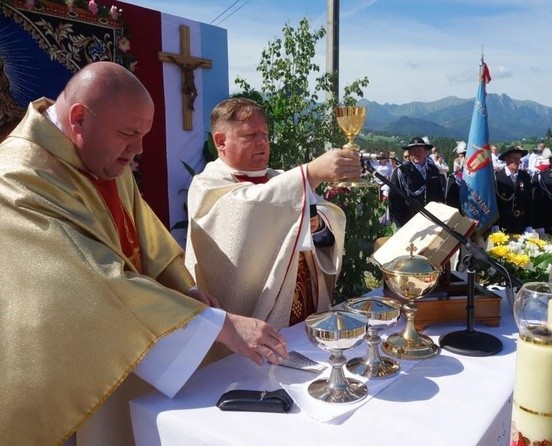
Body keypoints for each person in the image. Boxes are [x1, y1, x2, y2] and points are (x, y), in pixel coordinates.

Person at [0, 62, 289, 446]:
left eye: (143, 134)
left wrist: (185, 292)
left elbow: (146, 237)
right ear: (79, 118)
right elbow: (92, 282)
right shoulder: (18, 177)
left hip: (124, 338)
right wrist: (219, 324)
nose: (137, 150)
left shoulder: (101, 156)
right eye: (128, 134)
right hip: (64, 363)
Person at [185, 98, 360, 329]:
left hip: (305, 306)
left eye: (265, 135)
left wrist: (318, 226)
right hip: (248, 320)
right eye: (250, 135)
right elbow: (247, 209)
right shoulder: (207, 185)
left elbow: (325, 217)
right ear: (221, 141)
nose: (262, 143)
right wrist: (310, 173)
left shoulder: (279, 179)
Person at [388, 137, 446, 227]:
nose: (416, 153)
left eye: (419, 150)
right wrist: (400, 223)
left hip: (431, 220)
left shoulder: (433, 170)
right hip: (410, 221)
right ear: (410, 153)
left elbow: (439, 194)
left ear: (425, 152)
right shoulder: (401, 171)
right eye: (413, 151)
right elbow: (394, 199)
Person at [492, 146, 533, 234]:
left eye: (519, 158)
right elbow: (494, 202)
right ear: (506, 159)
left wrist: (529, 224)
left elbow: (529, 202)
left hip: (520, 223)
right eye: (515, 158)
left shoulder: (525, 176)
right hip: (503, 224)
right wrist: (495, 224)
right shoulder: (497, 177)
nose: (517, 161)